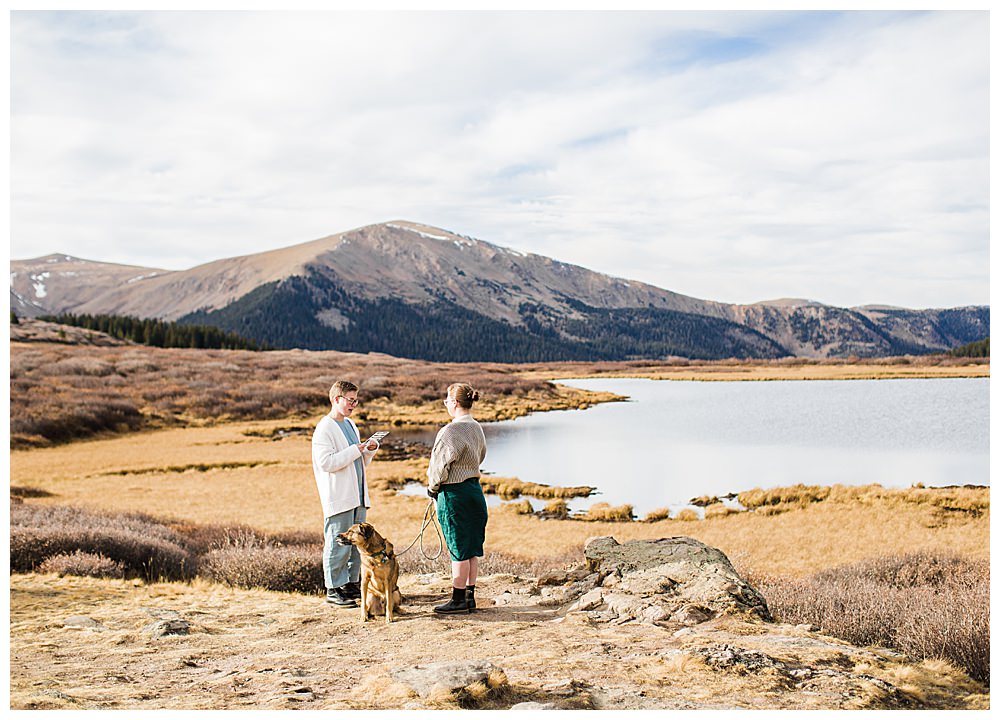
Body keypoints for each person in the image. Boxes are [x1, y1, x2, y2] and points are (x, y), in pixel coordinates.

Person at [312, 380, 380, 607]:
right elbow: (326, 463)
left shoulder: (350, 424)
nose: (354, 404)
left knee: (356, 543)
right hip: (339, 496)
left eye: (356, 400)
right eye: (350, 400)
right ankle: (333, 588)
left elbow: (357, 462)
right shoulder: (324, 428)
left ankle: (350, 583)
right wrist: (355, 450)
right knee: (337, 542)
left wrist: (367, 451)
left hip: (357, 496)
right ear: (336, 399)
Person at [426, 383, 488, 614]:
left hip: (454, 493)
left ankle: (458, 599)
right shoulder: (477, 428)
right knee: (471, 547)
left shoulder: (450, 431)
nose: (446, 405)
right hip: (474, 490)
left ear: (454, 403)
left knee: (458, 548)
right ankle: (469, 597)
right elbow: (481, 456)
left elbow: (438, 466)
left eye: (446, 401)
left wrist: (433, 489)